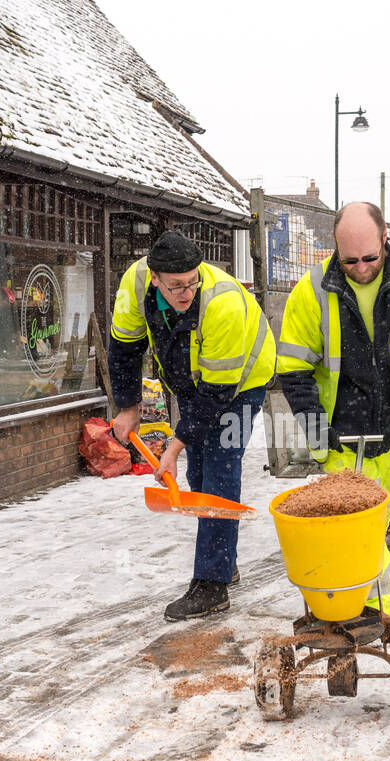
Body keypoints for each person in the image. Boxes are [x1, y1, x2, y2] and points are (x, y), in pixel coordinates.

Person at [276, 202, 390, 616]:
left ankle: (370, 614)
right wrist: (318, 428)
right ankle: (343, 612)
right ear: (334, 248)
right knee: (341, 533)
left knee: (372, 532)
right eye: (348, 260)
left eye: (370, 258)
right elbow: (294, 371)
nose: (360, 267)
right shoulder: (311, 289)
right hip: (339, 435)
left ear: (385, 238)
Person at [109, 231, 275, 621]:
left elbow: (218, 393)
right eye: (176, 286)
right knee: (199, 472)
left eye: (192, 282)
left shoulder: (224, 304)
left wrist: (174, 444)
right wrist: (128, 407)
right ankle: (222, 555)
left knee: (220, 466)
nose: (186, 292)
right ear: (154, 278)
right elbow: (124, 347)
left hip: (240, 383)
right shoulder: (135, 285)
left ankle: (212, 585)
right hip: (190, 379)